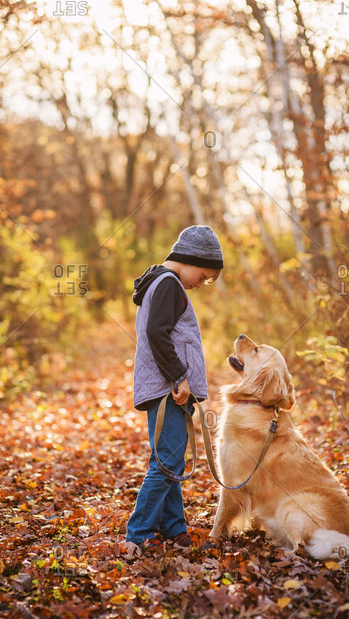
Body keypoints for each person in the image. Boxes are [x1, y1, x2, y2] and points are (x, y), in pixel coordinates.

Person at [125, 225, 224, 551]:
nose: (202, 283)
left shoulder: (163, 283)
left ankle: (173, 527)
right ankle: (139, 534)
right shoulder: (169, 284)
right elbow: (157, 334)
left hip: (168, 389)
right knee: (166, 463)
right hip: (169, 389)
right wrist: (180, 377)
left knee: (171, 462)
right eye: (204, 275)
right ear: (190, 258)